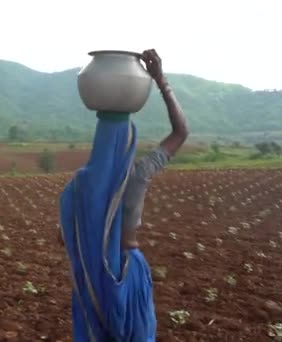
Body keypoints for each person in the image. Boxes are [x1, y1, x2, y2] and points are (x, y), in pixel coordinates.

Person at [58, 49, 188, 341]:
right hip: (127, 274)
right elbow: (181, 132)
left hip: (94, 279)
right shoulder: (138, 175)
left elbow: (64, 236)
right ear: (128, 142)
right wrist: (160, 81)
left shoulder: (81, 186)